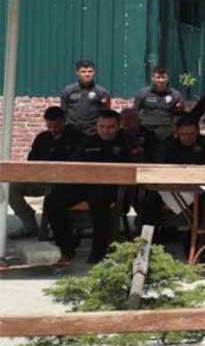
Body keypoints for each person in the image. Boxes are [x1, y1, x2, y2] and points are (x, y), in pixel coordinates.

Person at [46, 110, 145, 265]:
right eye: (102, 126)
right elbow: (73, 163)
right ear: (96, 126)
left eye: (111, 127)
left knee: (97, 199)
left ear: (119, 126)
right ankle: (66, 247)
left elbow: (139, 166)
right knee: (53, 198)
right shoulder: (89, 141)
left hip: (114, 189)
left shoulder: (129, 141)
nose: (106, 131)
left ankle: (98, 251)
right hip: (85, 185)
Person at [8, 107, 82, 239]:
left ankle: (52, 229)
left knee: (53, 195)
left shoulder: (76, 138)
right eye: (50, 126)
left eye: (57, 126)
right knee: (12, 187)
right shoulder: (42, 138)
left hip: (66, 182)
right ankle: (29, 224)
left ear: (64, 121)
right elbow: (31, 160)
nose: (53, 129)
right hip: (42, 178)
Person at [60, 59, 111, 137]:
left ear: (94, 72)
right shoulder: (68, 91)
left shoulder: (102, 92)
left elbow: (106, 115)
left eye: (90, 71)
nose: (87, 74)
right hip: (72, 133)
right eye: (83, 72)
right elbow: (63, 112)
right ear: (77, 73)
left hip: (94, 133)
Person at [132, 67, 184, 140]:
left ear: (168, 78)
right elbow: (135, 112)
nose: (161, 80)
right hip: (146, 129)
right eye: (158, 77)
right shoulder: (143, 93)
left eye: (163, 77)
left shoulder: (175, 95)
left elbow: (180, 115)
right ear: (152, 78)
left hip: (166, 130)